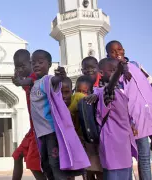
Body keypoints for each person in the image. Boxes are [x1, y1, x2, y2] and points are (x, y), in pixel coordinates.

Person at [14, 49, 90, 180]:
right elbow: (23, 82)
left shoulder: (47, 80)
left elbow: (55, 80)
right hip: (40, 134)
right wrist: (17, 80)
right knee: (45, 165)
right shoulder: (33, 82)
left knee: (55, 165)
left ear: (49, 64)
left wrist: (61, 76)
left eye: (40, 62)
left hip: (51, 132)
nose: (36, 65)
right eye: (34, 63)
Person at [106, 40, 152, 180]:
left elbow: (148, 81)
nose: (116, 53)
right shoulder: (114, 74)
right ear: (108, 55)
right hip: (134, 120)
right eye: (112, 52)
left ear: (123, 50)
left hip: (147, 114)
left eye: (119, 49)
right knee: (137, 158)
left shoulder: (136, 65)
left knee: (145, 157)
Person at [95, 58, 137, 180]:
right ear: (101, 73)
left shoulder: (120, 91)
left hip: (123, 142)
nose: (115, 73)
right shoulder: (106, 92)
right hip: (113, 142)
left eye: (116, 70)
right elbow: (110, 87)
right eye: (112, 70)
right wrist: (119, 70)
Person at [11, 49, 47, 180]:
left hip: (40, 131)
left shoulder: (35, 78)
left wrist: (20, 81)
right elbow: (23, 82)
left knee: (33, 164)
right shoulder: (26, 79)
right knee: (17, 155)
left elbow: (29, 82)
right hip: (32, 129)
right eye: (17, 67)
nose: (20, 69)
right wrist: (19, 79)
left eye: (23, 66)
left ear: (31, 64)